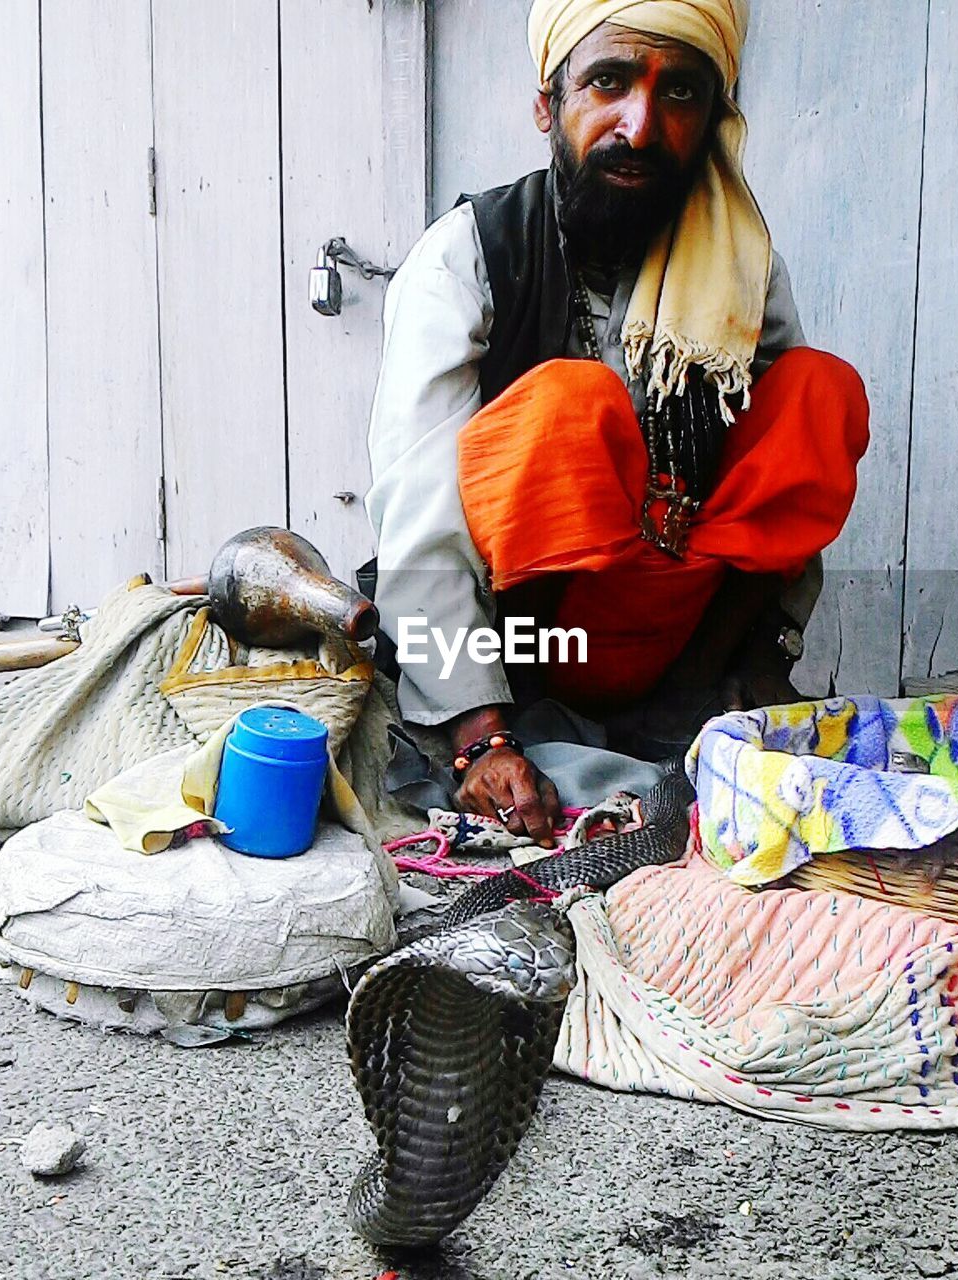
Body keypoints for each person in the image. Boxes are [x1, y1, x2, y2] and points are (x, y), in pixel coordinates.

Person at [365, 0, 870, 847]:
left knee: (816, 392)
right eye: (609, 82)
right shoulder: (467, 255)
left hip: (676, 636)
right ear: (547, 104)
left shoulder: (745, 270)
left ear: (713, 118)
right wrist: (479, 737)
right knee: (574, 407)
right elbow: (420, 518)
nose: (641, 125)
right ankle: (506, 721)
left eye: (679, 93)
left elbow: (785, 485)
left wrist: (761, 663)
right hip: (523, 643)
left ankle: (707, 707)